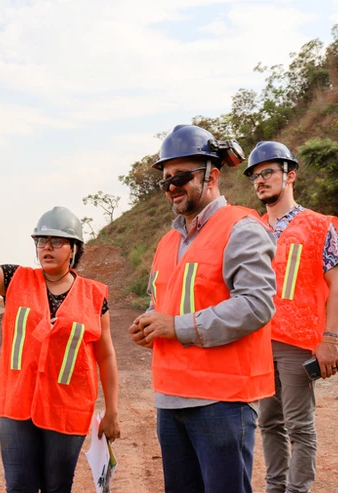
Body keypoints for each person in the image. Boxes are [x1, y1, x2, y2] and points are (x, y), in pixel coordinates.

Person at [0, 207, 120, 493]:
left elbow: (106, 355)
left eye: (57, 241)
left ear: (74, 249)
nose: (47, 247)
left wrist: (112, 411)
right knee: (18, 486)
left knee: (57, 487)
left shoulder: (94, 296)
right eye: (41, 241)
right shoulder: (15, 278)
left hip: (68, 409)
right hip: (18, 406)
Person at [128, 124, 277, 493]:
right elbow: (162, 303)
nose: (171, 186)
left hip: (221, 401)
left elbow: (256, 304)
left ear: (212, 174)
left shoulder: (241, 228)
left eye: (180, 176)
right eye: (165, 179)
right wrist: (150, 324)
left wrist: (175, 326)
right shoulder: (167, 242)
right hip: (170, 397)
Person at [243, 141, 338, 493]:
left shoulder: (318, 225)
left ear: (290, 176)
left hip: (298, 343)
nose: (260, 180)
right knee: (268, 422)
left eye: (268, 172)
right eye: (255, 176)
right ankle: (275, 488)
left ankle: (297, 490)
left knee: (299, 425)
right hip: (258, 341)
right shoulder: (251, 228)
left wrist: (330, 338)